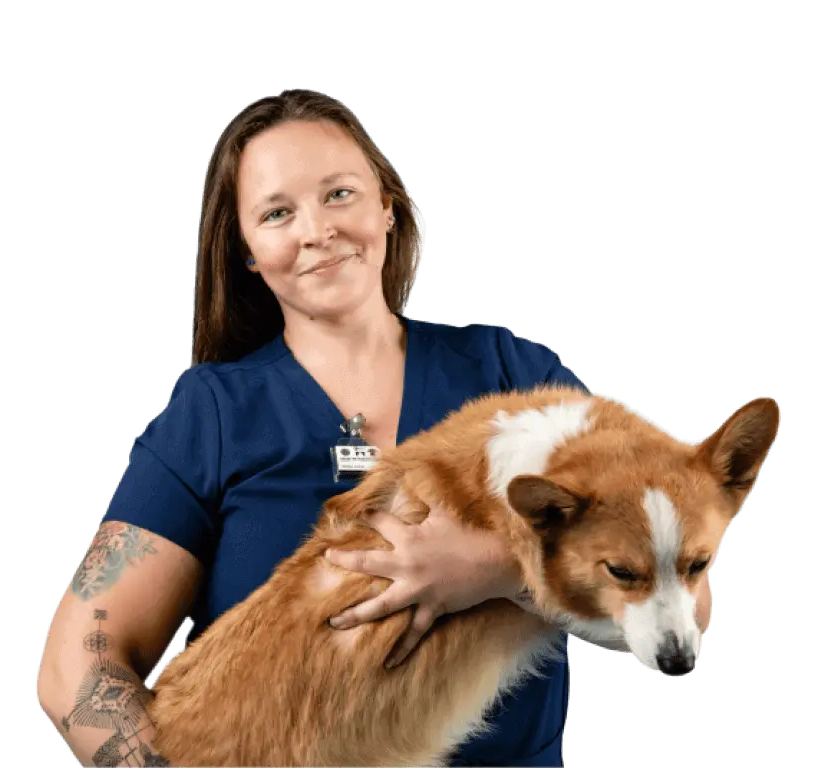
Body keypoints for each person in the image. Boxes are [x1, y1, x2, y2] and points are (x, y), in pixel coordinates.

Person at [37, 89, 711, 768]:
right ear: (247, 251)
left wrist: (488, 570)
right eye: (277, 212)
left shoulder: (514, 375)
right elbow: (75, 672)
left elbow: (678, 591)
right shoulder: (211, 413)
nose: (317, 230)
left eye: (338, 194)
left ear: (387, 206)